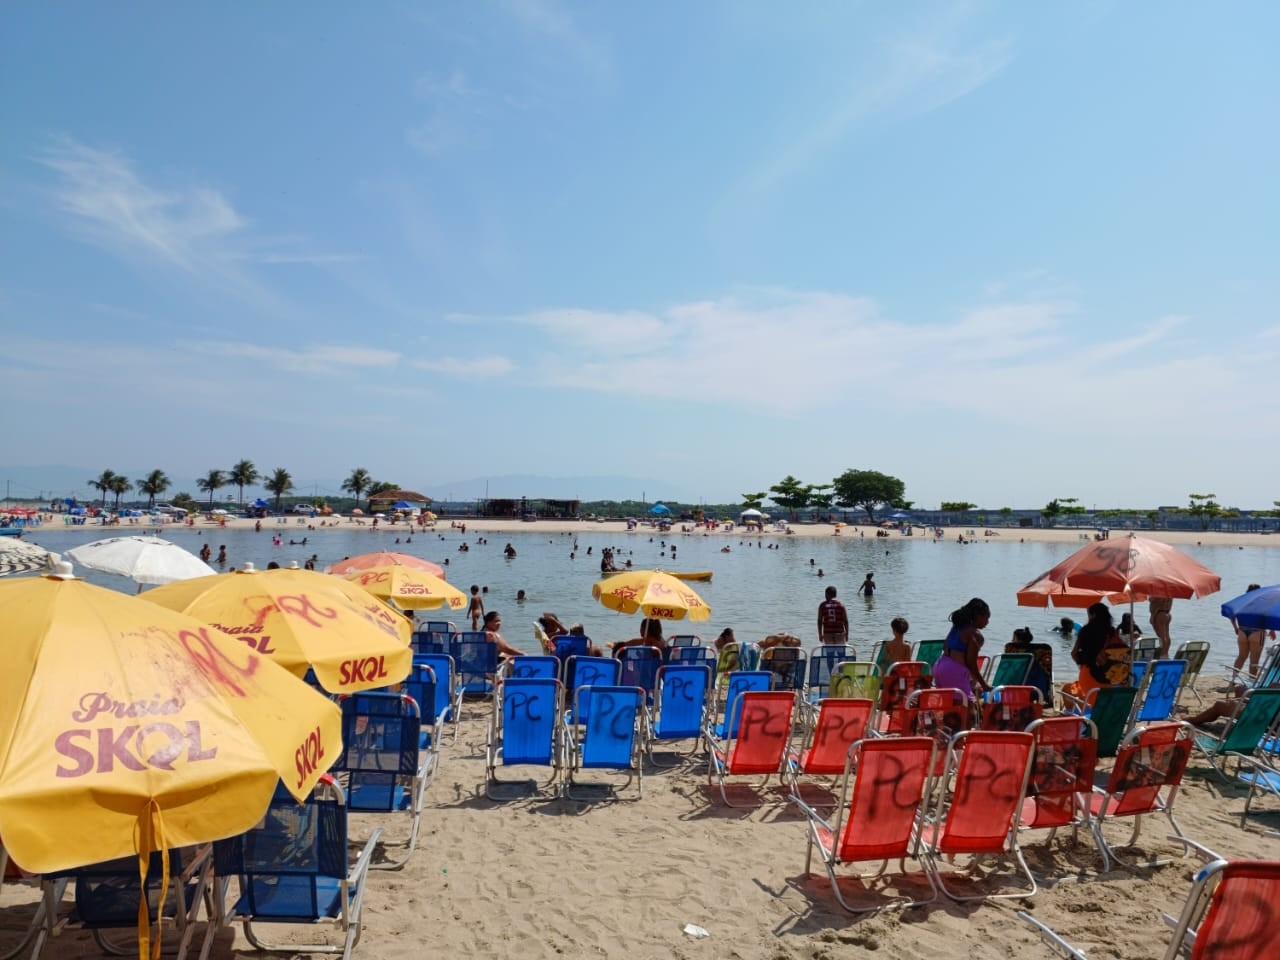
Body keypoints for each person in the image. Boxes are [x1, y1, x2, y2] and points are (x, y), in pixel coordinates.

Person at [1065, 602, 1129, 701]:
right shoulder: (1111, 631)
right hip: (1109, 674)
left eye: (1089, 614)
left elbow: (1074, 653)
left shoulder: (1085, 630)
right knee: (1104, 703)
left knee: (1092, 701)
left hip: (1089, 673)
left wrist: (1081, 664)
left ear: (1094, 614)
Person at [931, 598, 991, 701]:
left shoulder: (956, 627)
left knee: (950, 708)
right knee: (966, 709)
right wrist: (984, 684)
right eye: (987, 617)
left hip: (939, 666)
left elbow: (945, 646)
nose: (987, 622)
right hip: (954, 670)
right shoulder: (975, 635)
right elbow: (971, 665)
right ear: (978, 616)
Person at [1233, 583, 1276, 677]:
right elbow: (1269, 616)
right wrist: (1272, 629)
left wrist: (1235, 627)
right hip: (1257, 633)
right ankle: (1251, 682)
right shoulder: (1263, 602)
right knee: (1254, 660)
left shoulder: (1242, 601)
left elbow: (1232, 612)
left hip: (1242, 632)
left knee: (1241, 657)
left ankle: (1232, 681)